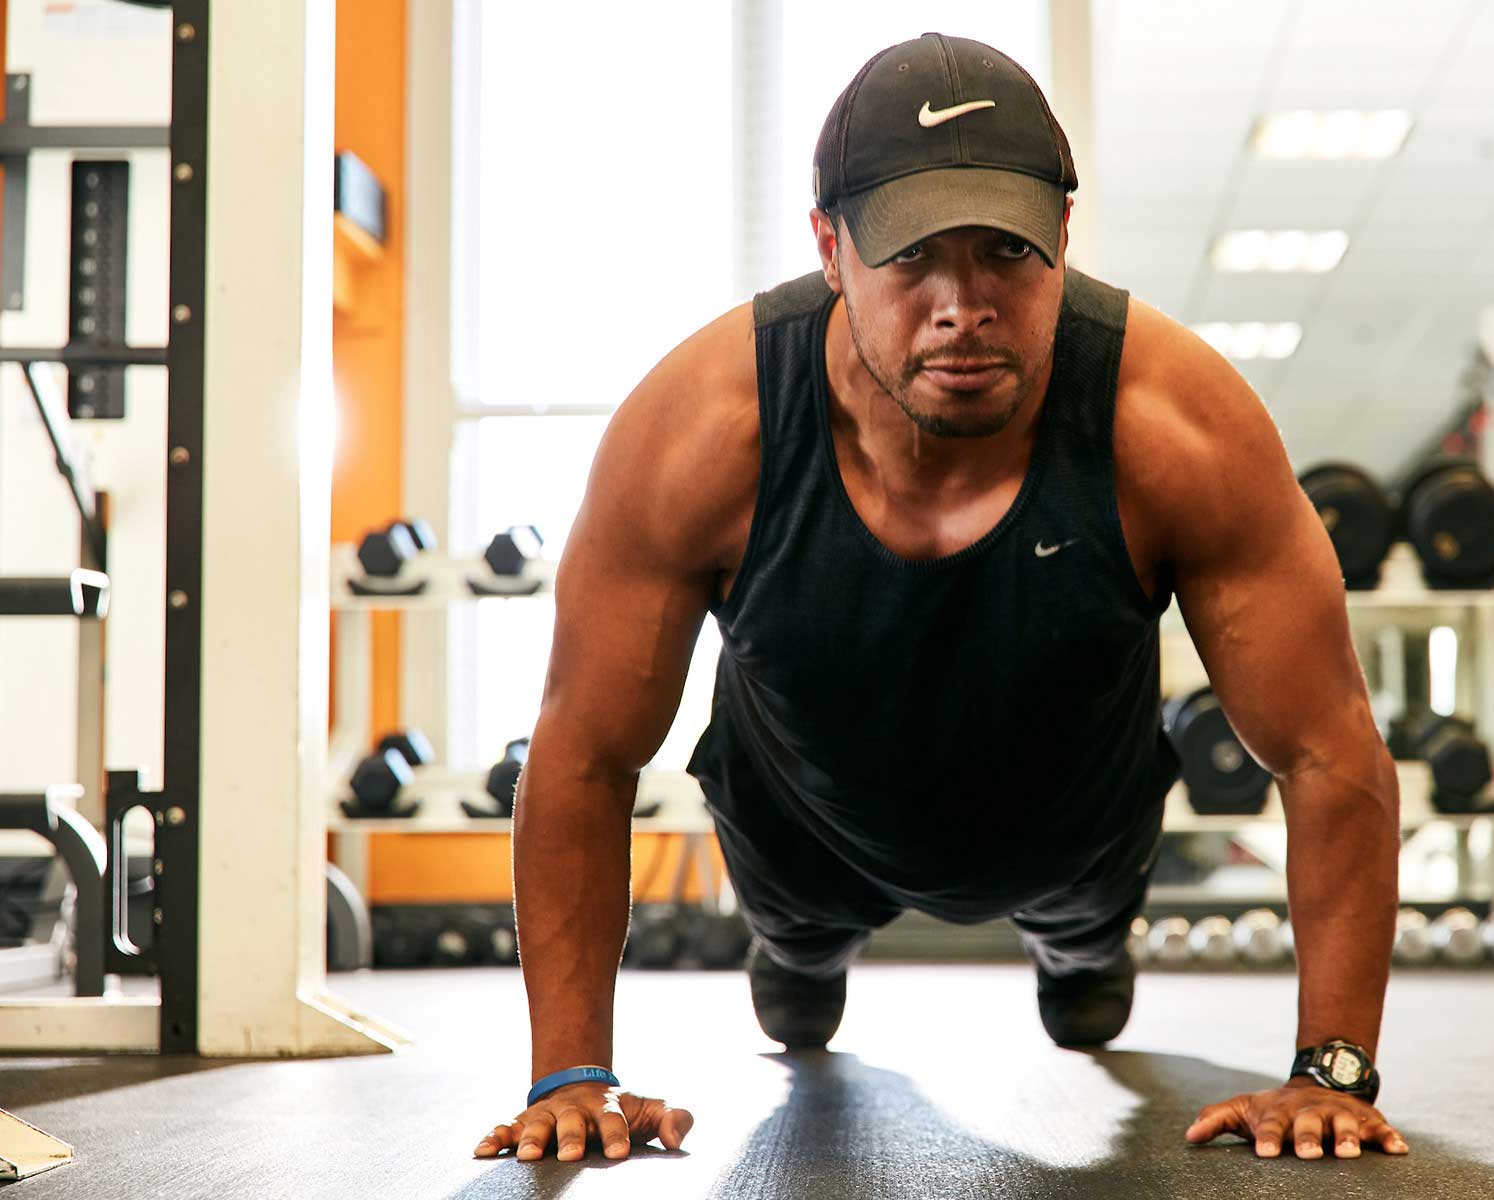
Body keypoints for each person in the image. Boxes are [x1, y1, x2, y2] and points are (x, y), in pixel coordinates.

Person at [473, 32, 1407, 1168]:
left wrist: (1332, 1072)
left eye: (1006, 251)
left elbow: (1327, 747)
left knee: (1088, 1008)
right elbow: (582, 750)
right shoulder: (703, 430)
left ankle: (1080, 954)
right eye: (913, 256)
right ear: (831, 248)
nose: (963, 306)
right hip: (801, 822)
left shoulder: (1174, 423)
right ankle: (802, 953)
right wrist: (571, 1077)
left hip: (1074, 826)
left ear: (1063, 236)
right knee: (795, 999)